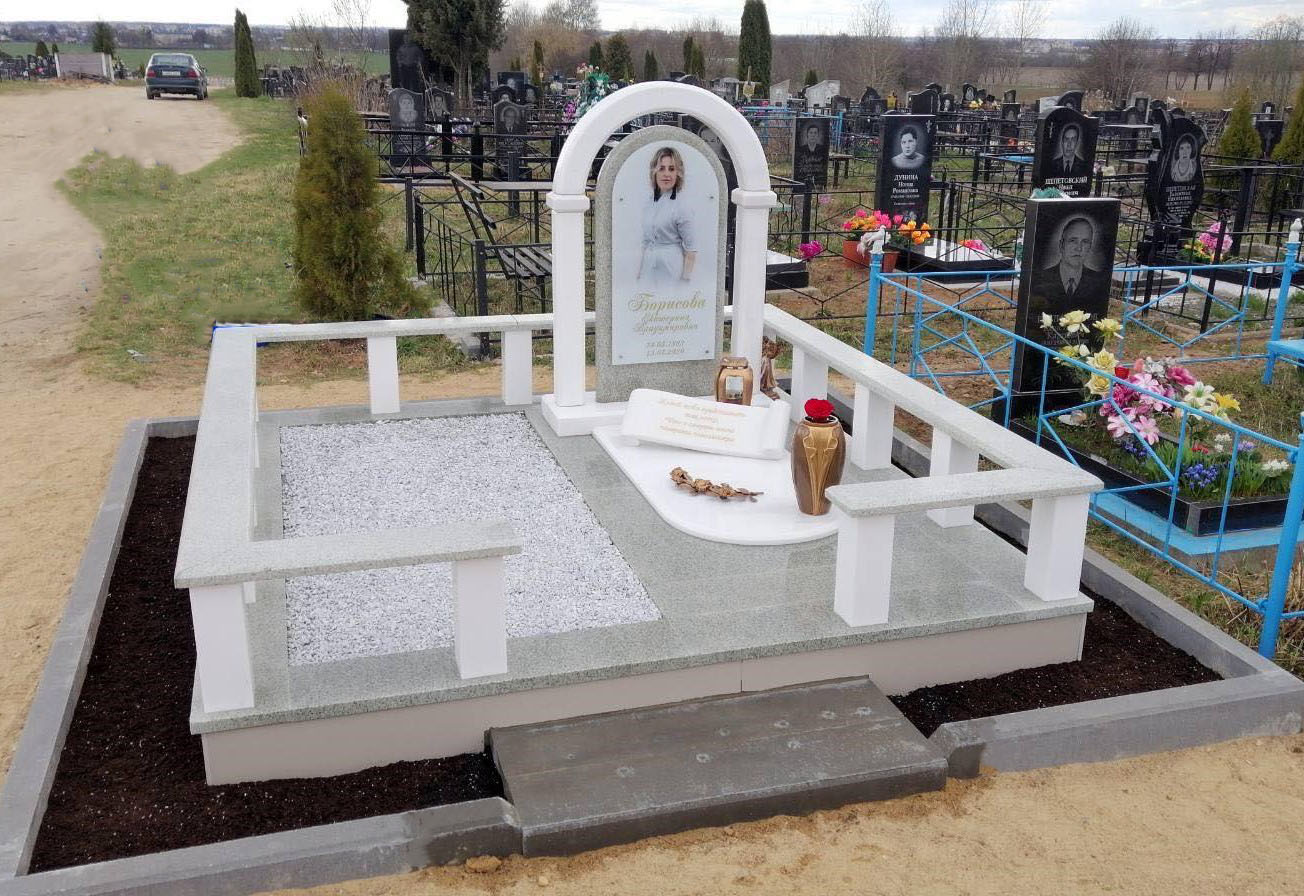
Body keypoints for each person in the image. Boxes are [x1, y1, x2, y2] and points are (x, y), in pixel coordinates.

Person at [636, 146, 697, 290]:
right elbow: (645, 241)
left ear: (678, 173)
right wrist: (640, 273)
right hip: (648, 267)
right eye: (661, 168)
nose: (666, 174)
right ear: (654, 172)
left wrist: (684, 282)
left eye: (671, 169)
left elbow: (691, 249)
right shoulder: (649, 202)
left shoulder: (682, 206)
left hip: (671, 267)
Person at [1031, 215, 1110, 312]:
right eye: (1073, 241)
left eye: (1085, 242)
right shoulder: (1040, 278)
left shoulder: (1098, 281)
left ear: (1090, 247)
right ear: (1061, 245)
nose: (1079, 248)